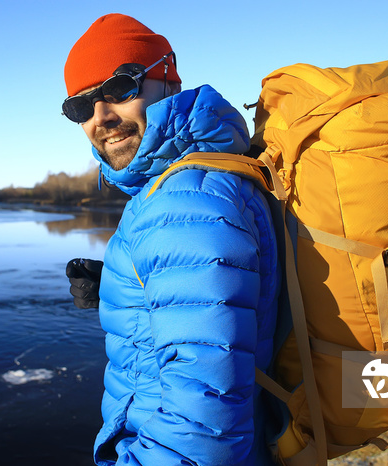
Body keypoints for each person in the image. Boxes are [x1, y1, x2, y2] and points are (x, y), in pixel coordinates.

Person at [62, 13, 280, 466]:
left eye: (121, 88)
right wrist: (125, 285)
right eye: (81, 107)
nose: (101, 116)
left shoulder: (181, 204)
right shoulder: (198, 179)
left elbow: (203, 432)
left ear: (166, 79)